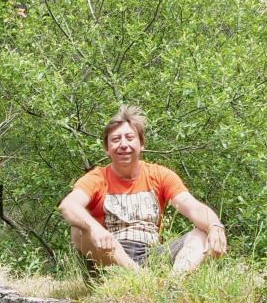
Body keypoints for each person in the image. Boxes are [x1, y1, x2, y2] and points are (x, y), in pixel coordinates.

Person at [58, 105, 228, 273]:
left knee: (203, 233)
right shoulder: (96, 179)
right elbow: (68, 205)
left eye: (130, 138)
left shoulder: (160, 175)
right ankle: (139, 278)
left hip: (152, 256)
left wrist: (214, 226)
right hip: (108, 260)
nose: (123, 144)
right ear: (107, 149)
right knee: (79, 230)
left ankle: (173, 284)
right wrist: (95, 229)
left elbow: (194, 208)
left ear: (141, 145)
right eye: (116, 139)